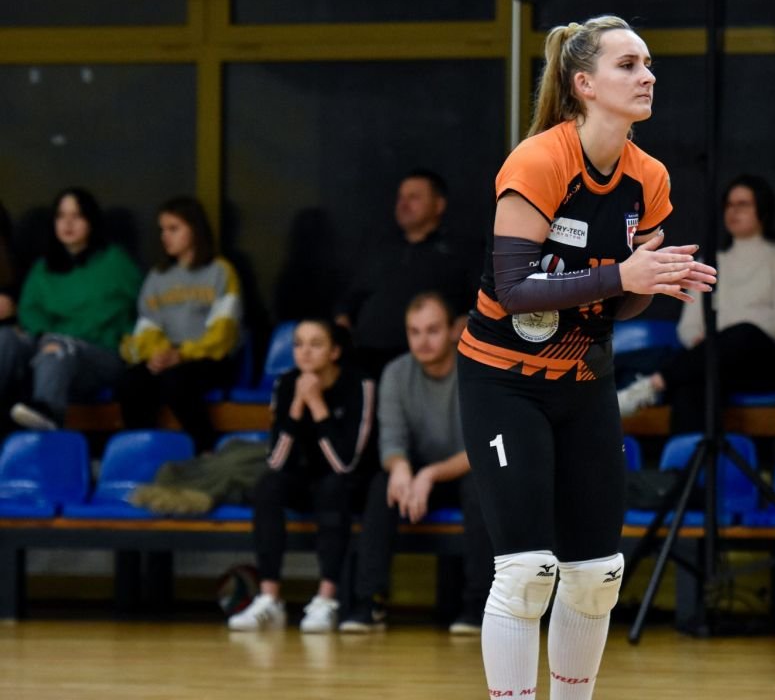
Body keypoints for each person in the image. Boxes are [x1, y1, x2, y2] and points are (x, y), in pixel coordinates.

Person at [456, 14, 717, 699]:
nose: (647, 75)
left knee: (598, 576)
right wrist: (623, 274)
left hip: (584, 382)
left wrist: (650, 281)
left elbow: (619, 305)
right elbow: (514, 290)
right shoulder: (539, 161)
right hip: (504, 382)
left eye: (648, 63)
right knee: (526, 573)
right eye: (628, 64)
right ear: (584, 84)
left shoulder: (648, 178)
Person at [339, 291, 493, 635]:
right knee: (382, 485)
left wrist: (430, 474)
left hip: (465, 471)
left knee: (481, 489)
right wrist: (401, 468)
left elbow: (481, 449)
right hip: (418, 477)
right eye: (415, 331)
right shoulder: (395, 373)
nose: (423, 341)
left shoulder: (477, 371)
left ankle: (478, 605)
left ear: (454, 330)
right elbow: (391, 441)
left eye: (432, 330)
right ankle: (368, 602)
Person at [228, 317, 376, 633]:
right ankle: (269, 598)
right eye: (298, 344)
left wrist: (317, 405)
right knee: (268, 485)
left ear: (334, 352)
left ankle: (326, 599)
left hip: (348, 483)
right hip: (302, 478)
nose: (305, 352)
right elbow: (277, 460)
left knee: (333, 487)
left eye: (315, 344)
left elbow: (344, 463)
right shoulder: (285, 384)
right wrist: (297, 405)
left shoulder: (359, 384)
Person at [617, 174, 775, 432]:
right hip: (716, 362)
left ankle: (652, 384)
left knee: (744, 333)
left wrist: (722, 335)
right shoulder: (709, 262)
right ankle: (690, 458)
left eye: (743, 204)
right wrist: (715, 340)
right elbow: (689, 328)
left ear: (763, 209)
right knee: (694, 383)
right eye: (729, 204)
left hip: (762, 363)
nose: (733, 211)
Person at [1, 188, 141, 431]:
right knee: (6, 338)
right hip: (47, 345)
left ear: (91, 221)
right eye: (61, 216)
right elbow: (30, 312)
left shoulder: (115, 261)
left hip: (100, 354)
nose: (67, 223)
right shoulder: (44, 267)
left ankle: (47, 416)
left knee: (58, 347)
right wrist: (44, 336)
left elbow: (141, 306)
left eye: (76, 216)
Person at [117, 196, 243, 452]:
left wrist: (183, 354)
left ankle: (206, 450)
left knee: (176, 381)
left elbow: (224, 332)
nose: (165, 236)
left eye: (173, 229)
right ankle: (144, 453)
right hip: (168, 356)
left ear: (194, 229)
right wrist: (158, 354)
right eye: (162, 229)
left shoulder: (220, 271)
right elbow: (147, 328)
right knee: (131, 382)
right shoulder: (157, 276)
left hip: (209, 358)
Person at [334, 169, 478, 379]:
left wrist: (468, 319)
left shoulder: (461, 250)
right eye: (401, 198)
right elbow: (352, 296)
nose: (403, 204)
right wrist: (342, 321)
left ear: (438, 205)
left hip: (426, 362)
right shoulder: (381, 248)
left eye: (414, 198)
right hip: (366, 358)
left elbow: (483, 299)